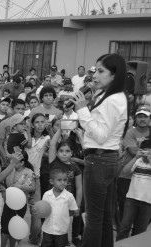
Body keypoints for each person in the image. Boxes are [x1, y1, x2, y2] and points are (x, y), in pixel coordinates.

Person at [71, 54, 128, 247]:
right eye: (95, 70)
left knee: (94, 219)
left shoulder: (113, 100)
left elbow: (101, 134)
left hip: (100, 160)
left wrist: (82, 110)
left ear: (114, 75)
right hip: (105, 159)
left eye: (101, 71)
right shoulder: (108, 96)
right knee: (103, 216)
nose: (95, 75)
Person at [49, 130, 83, 246]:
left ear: (72, 153)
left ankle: (69, 239)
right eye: (61, 151)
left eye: (67, 151)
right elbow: (53, 144)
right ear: (57, 153)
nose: (64, 153)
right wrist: (61, 128)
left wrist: (77, 206)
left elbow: (79, 188)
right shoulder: (54, 162)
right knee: (53, 223)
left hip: (68, 202)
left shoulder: (75, 167)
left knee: (66, 224)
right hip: (53, 201)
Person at [117, 106, 150, 220]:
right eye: (139, 116)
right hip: (127, 176)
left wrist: (141, 148)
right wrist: (144, 149)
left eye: (145, 116)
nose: (142, 119)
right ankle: (123, 237)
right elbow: (133, 151)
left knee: (144, 212)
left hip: (146, 177)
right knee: (124, 211)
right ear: (135, 118)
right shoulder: (129, 132)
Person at [116, 140, 151, 241]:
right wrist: (136, 157)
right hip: (131, 198)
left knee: (140, 229)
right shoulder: (137, 160)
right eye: (144, 152)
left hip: (148, 202)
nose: (146, 155)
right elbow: (125, 171)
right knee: (124, 226)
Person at [25, 113, 50, 244]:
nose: (40, 125)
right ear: (32, 124)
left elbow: (53, 150)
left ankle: (34, 238)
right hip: (20, 176)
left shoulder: (47, 138)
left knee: (36, 211)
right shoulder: (25, 137)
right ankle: (13, 236)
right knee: (16, 209)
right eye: (37, 122)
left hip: (36, 177)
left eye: (43, 122)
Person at [1, 151, 35, 247]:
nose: (12, 161)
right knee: (4, 228)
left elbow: (33, 188)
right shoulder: (11, 170)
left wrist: (19, 187)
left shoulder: (29, 172)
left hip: (21, 204)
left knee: (15, 227)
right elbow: (8, 184)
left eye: (15, 160)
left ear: (22, 163)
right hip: (8, 202)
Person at [39, 167, 79, 247]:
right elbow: (43, 209)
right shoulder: (47, 194)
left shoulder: (69, 196)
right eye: (59, 180)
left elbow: (74, 210)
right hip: (48, 229)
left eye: (65, 180)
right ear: (51, 181)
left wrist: (75, 212)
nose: (63, 182)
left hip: (62, 231)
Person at [0, 99, 26, 166]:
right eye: (18, 109)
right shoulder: (4, 123)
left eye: (23, 109)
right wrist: (5, 158)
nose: (20, 111)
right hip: (9, 158)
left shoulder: (27, 123)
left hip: (23, 160)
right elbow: (0, 144)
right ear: (12, 109)